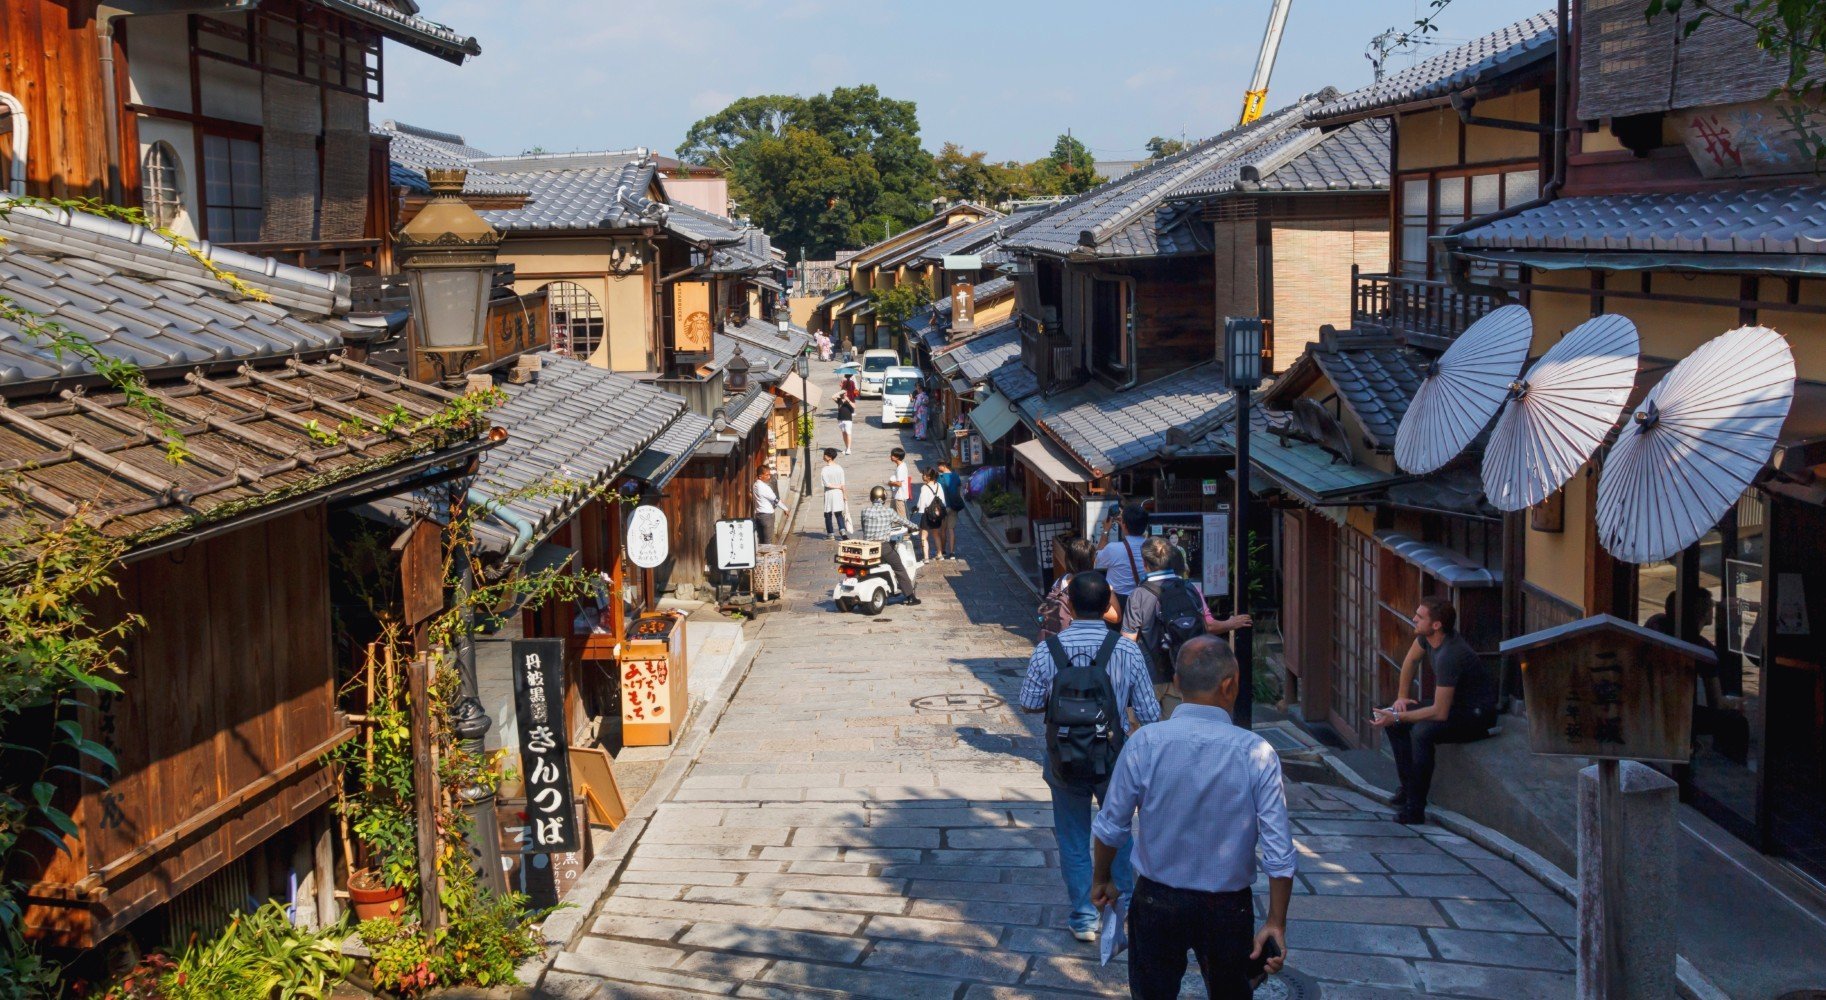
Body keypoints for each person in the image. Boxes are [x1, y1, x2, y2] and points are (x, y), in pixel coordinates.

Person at [1091, 636, 1295, 999]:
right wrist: (1275, 922)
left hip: (1156, 900)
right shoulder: (1256, 752)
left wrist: (1102, 877)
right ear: (1229, 685)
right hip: (1227, 906)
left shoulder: (1146, 742)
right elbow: (1279, 851)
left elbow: (1111, 826)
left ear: (1177, 682)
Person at [1019, 572, 1161, 943]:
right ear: (1108, 606)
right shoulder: (1126, 651)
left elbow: (1029, 702)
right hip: (1115, 759)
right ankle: (1123, 907)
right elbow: (1150, 713)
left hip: (1064, 758)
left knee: (1072, 835)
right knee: (1118, 832)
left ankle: (1084, 917)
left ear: (1069, 604)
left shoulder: (1048, 649)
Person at [1370, 596, 1496, 825]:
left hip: (1475, 715)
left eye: (1420, 616)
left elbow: (1440, 712)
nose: (1414, 619)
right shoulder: (1427, 639)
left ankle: (1415, 808)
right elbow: (1410, 662)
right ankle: (1407, 789)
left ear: (1436, 625)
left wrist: (1398, 716)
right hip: (1453, 706)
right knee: (1386, 712)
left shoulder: (1451, 654)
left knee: (1422, 733)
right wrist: (1400, 700)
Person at [1122, 537, 1251, 718]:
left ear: (1145, 564)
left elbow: (1128, 643)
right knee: (1177, 728)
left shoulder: (1138, 595)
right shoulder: (1189, 589)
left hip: (1149, 676)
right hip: (1181, 673)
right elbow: (1205, 626)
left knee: (1146, 733)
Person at [1039, 536, 1121, 639]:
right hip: (1085, 638)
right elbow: (1116, 617)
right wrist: (1110, 590)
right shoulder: (1092, 587)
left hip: (1061, 637)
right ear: (1092, 560)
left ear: (1067, 559)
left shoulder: (1060, 582)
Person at [857, 485, 920, 606]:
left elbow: (864, 528)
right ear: (884, 498)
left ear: (871, 497)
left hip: (867, 547)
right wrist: (915, 526)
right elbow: (904, 521)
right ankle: (910, 596)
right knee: (899, 568)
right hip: (883, 547)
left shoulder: (864, 511)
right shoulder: (889, 512)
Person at [1094, 504, 1149, 614]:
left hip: (1117, 603)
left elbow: (1097, 558)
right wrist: (1125, 525)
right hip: (1143, 601)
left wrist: (1105, 531)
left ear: (1123, 524)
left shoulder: (1114, 549)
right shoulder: (1152, 547)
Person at [914, 467, 948, 562]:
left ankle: (926, 557)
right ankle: (940, 554)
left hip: (927, 514)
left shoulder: (924, 487)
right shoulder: (938, 485)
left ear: (928, 476)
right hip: (937, 514)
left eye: (924, 475)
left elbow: (922, 502)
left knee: (924, 536)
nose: (923, 476)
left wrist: (918, 509)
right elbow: (943, 501)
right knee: (936, 534)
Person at [935, 460, 966, 560]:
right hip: (953, 506)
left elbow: (937, 493)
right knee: (951, 529)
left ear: (943, 466)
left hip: (943, 507)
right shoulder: (955, 476)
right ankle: (952, 552)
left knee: (943, 530)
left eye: (939, 465)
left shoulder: (940, 478)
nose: (938, 467)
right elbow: (958, 491)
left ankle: (943, 550)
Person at [820, 448, 849, 539]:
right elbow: (843, 483)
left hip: (829, 493)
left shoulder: (825, 469)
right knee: (838, 513)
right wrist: (844, 493)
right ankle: (842, 531)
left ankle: (830, 534)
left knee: (828, 514)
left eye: (825, 455)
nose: (823, 456)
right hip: (839, 493)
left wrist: (837, 487)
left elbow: (826, 484)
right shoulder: (839, 468)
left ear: (829, 457)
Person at [888, 448, 913, 519]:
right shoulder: (900, 466)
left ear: (897, 457)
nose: (890, 456)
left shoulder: (901, 468)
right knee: (894, 514)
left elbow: (899, 484)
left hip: (900, 495)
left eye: (892, 455)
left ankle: (905, 529)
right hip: (896, 495)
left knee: (902, 517)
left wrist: (890, 483)